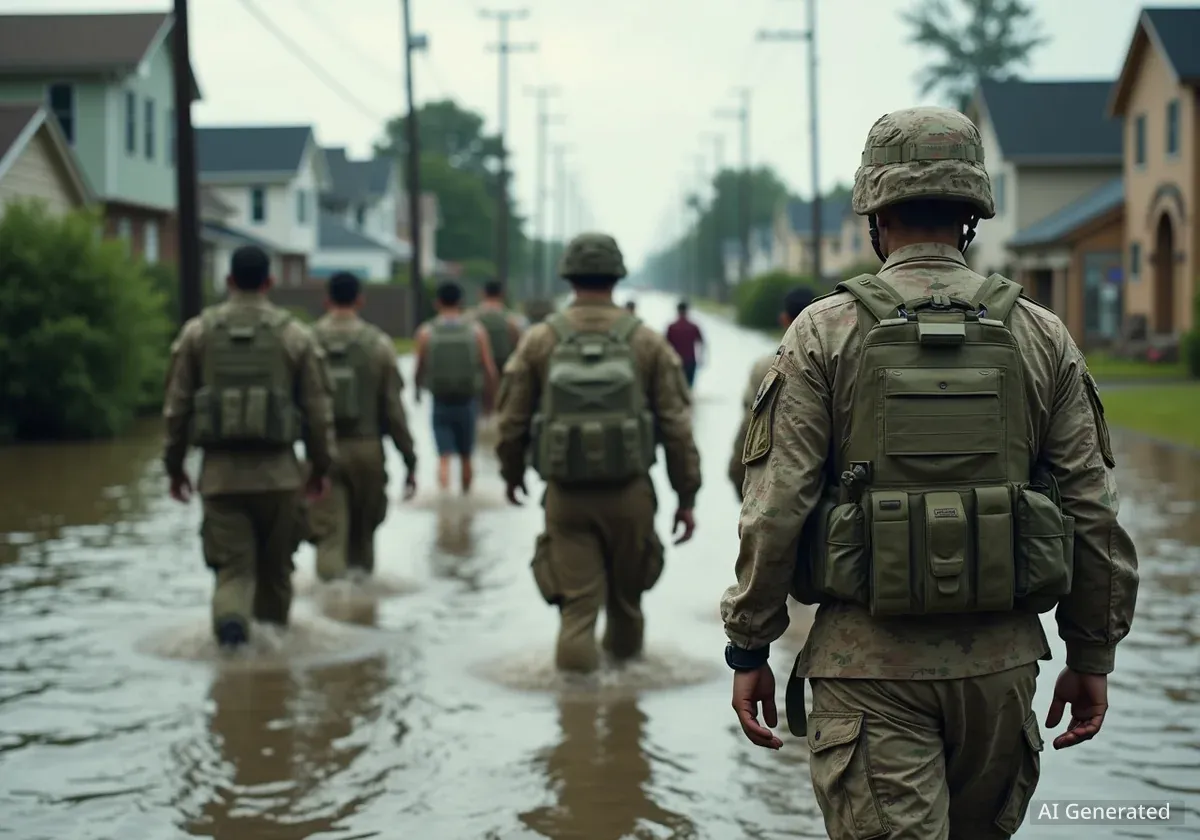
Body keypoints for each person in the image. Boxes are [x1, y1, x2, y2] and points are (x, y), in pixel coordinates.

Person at [720, 107, 1139, 839]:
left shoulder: (823, 332)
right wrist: (1091, 653)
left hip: (867, 670)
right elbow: (1093, 510)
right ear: (971, 217)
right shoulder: (1040, 333)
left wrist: (749, 643)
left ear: (875, 215)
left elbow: (776, 504)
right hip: (1001, 672)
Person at [497, 232, 702, 673]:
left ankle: (575, 722)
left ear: (568, 276)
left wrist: (511, 475)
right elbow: (677, 429)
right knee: (626, 605)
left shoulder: (539, 340)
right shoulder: (645, 341)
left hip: (566, 496)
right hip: (631, 495)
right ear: (617, 276)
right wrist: (686, 497)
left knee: (577, 611)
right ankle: (627, 711)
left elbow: (511, 423)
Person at [162, 244, 337, 649]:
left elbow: (176, 409)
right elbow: (318, 412)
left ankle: (231, 636)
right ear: (270, 283)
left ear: (228, 281)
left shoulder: (197, 333)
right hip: (279, 477)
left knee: (233, 572)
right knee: (275, 574)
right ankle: (270, 669)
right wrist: (320, 469)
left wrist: (174, 467)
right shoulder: (295, 336)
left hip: (220, 478)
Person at [308, 271, 418, 582]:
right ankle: (361, 613)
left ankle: (331, 612)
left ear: (327, 300)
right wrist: (410, 460)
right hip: (368, 451)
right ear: (360, 300)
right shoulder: (379, 345)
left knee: (329, 536)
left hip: (323, 451)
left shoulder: (306, 341)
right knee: (363, 537)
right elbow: (395, 412)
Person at [728, 286, 816, 499]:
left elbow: (751, 425)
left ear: (784, 319)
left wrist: (737, 475)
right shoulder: (840, 363)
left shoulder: (767, 368)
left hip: (779, 491)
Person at [414, 281, 498, 494]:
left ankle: (444, 502)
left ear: (437, 303)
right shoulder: (476, 331)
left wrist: (416, 391)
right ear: (460, 302)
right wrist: (491, 398)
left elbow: (419, 368)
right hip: (468, 401)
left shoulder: (426, 332)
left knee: (443, 456)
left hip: (440, 401)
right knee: (466, 455)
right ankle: (466, 498)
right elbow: (489, 369)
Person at [472, 280, 524, 413]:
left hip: (478, 375)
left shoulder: (471, 319)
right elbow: (520, 349)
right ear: (502, 294)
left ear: (482, 294)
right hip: (504, 373)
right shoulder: (512, 319)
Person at [665, 300, 704, 388]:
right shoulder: (694, 327)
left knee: (675, 390)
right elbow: (702, 343)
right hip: (690, 362)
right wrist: (701, 358)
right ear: (687, 311)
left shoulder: (671, 327)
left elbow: (664, 346)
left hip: (675, 362)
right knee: (688, 389)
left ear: (677, 311)